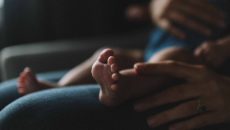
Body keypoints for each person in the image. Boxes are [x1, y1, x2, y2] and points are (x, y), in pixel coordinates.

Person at [17, 0, 228, 97]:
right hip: (154, 45)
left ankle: (120, 86)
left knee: (169, 60)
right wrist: (149, 9)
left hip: (196, 53)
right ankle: (59, 88)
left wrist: (224, 47)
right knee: (110, 53)